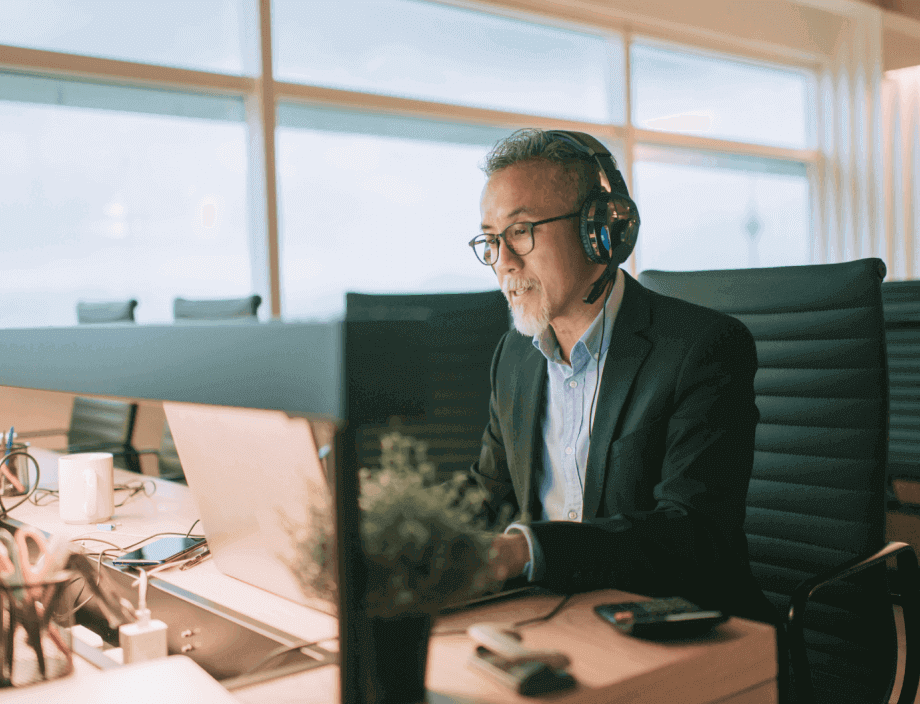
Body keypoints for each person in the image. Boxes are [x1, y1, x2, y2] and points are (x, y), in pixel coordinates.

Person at [467, 128, 776, 624]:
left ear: (600, 232)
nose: (502, 261)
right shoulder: (515, 357)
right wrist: (405, 529)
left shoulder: (703, 349)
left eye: (521, 231)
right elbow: (487, 494)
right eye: (490, 240)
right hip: (554, 616)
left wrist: (526, 551)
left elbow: (693, 533)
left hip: (677, 626)